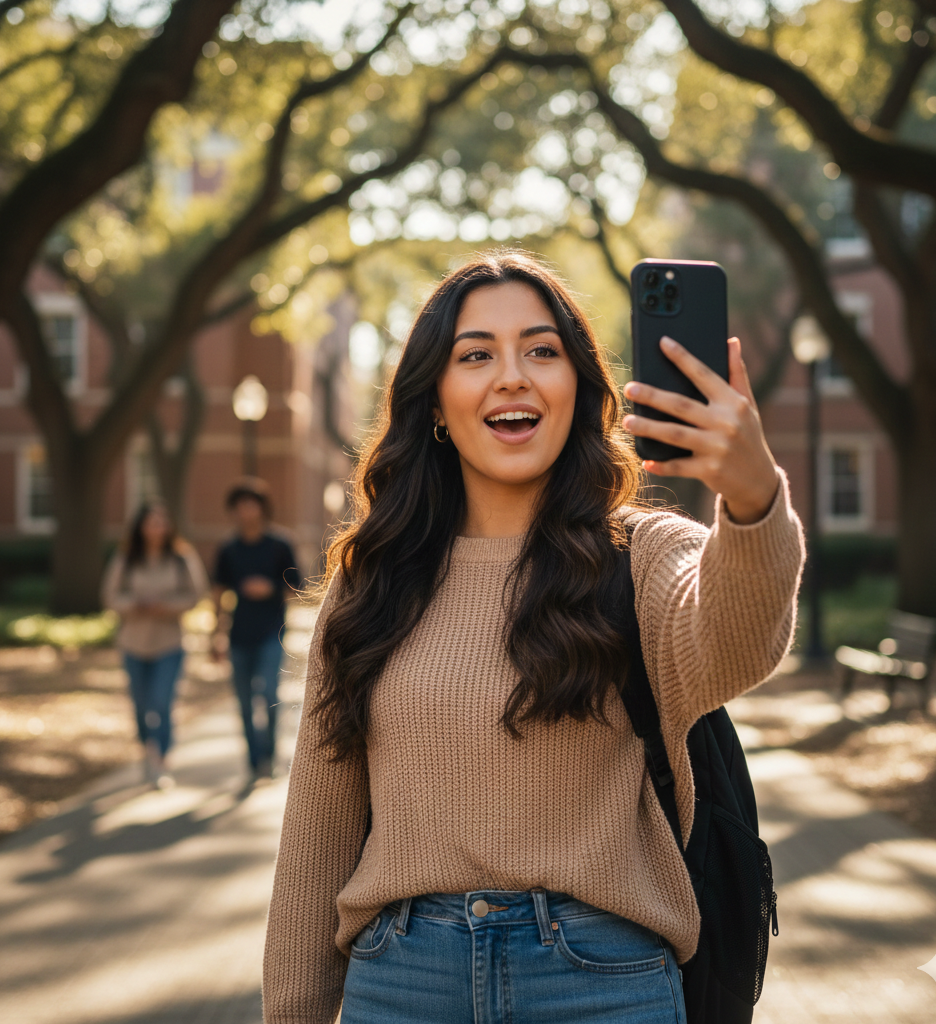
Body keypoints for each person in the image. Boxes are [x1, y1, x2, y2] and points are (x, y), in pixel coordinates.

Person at [262, 252, 804, 1024]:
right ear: (437, 404)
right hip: (400, 981)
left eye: (542, 351)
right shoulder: (372, 581)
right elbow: (316, 839)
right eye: (475, 354)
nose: (511, 375)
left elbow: (738, 641)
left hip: (603, 982)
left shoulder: (644, 553)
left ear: (578, 389)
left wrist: (753, 498)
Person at [102, 500, 208, 788]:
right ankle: (147, 752)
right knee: (140, 705)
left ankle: (161, 759)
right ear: (141, 526)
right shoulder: (126, 557)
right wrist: (134, 605)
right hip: (133, 643)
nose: (158, 527)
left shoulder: (181, 557)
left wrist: (167, 606)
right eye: (152, 521)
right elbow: (110, 596)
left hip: (169, 643)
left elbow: (197, 595)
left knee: (162, 703)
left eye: (162, 521)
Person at [213, 479, 302, 780]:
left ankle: (270, 755)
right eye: (240, 506)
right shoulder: (229, 549)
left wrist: (270, 589)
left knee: (269, 692)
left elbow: (298, 586)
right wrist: (216, 633)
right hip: (239, 635)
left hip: (272, 633)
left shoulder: (280, 544)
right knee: (244, 700)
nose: (246, 511)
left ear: (262, 508)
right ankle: (254, 760)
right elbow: (219, 592)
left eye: (252, 504)